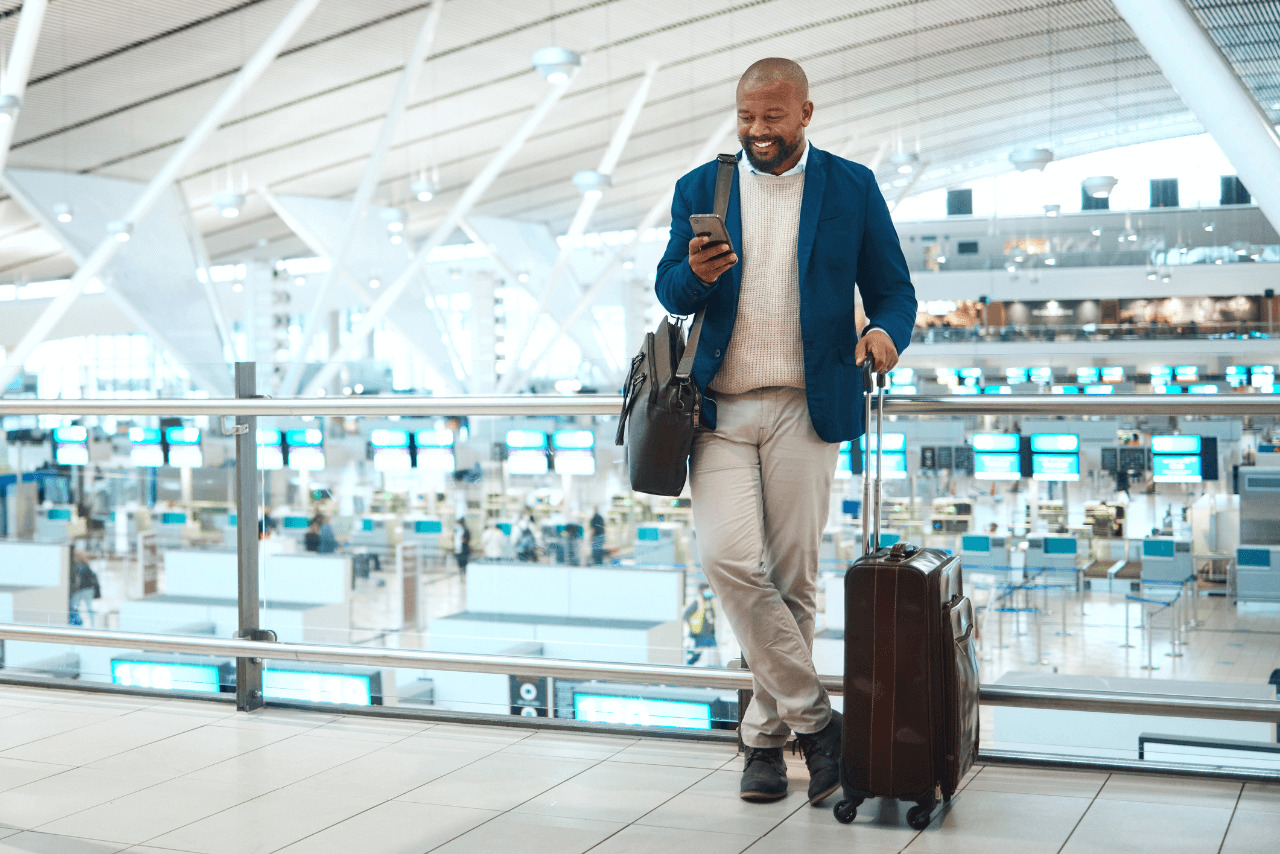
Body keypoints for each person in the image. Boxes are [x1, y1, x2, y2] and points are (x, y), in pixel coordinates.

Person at [655, 58, 916, 806]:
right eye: (746, 116)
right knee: (730, 561)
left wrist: (888, 334)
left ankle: (763, 746)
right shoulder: (702, 189)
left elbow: (894, 291)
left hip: (808, 405)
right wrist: (696, 274)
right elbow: (670, 290)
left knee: (794, 582)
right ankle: (819, 728)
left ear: (805, 112)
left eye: (772, 117)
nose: (757, 131)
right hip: (719, 411)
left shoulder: (851, 186)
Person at [683, 584, 718, 666]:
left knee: (713, 652)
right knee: (698, 652)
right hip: (701, 633)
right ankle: (689, 665)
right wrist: (692, 627)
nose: (709, 592)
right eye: (707, 590)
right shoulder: (698, 602)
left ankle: (713, 668)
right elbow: (686, 615)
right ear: (701, 591)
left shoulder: (709, 601)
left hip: (710, 632)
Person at [68, 548, 100, 627]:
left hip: (81, 590)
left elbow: (77, 580)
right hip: (89, 590)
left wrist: (74, 590)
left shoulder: (77, 566)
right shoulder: (87, 565)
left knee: (75, 606)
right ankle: (92, 624)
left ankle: (76, 623)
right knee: (89, 607)